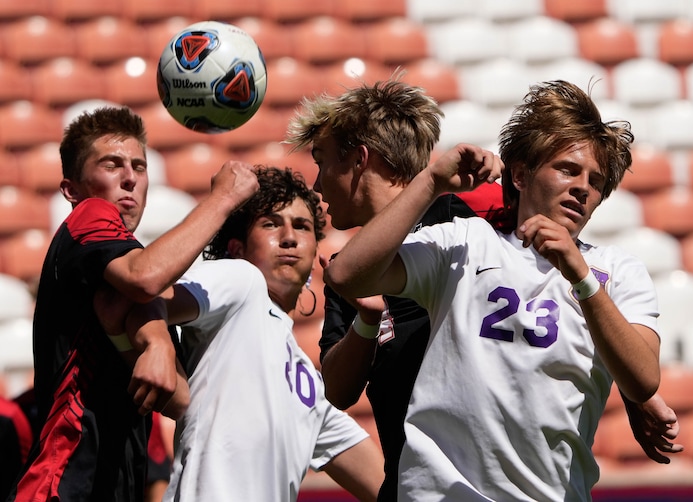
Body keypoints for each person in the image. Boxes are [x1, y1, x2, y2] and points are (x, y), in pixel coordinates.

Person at [286, 78, 682, 500]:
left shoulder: (471, 218)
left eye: (596, 181)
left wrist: (629, 385)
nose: (583, 187)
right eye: (568, 170)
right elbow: (340, 364)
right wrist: (367, 320)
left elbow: (628, 364)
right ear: (522, 175)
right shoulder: (449, 241)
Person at [9, 106, 259, 502]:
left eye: (139, 167)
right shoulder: (89, 216)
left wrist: (145, 342)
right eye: (112, 164)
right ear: (72, 189)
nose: (130, 178)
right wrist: (224, 198)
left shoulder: (126, 264)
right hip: (62, 485)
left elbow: (177, 399)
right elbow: (146, 277)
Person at [285, 78, 503, 501]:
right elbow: (338, 391)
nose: (316, 184)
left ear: (360, 160)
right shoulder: (352, 268)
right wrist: (367, 321)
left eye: (322, 161)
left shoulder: (472, 228)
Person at [122, 167, 384, 502]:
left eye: (302, 226)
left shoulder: (308, 385)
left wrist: (368, 320)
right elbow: (146, 298)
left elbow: (387, 488)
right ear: (237, 248)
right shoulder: (241, 279)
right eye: (271, 224)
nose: (289, 236)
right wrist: (157, 344)